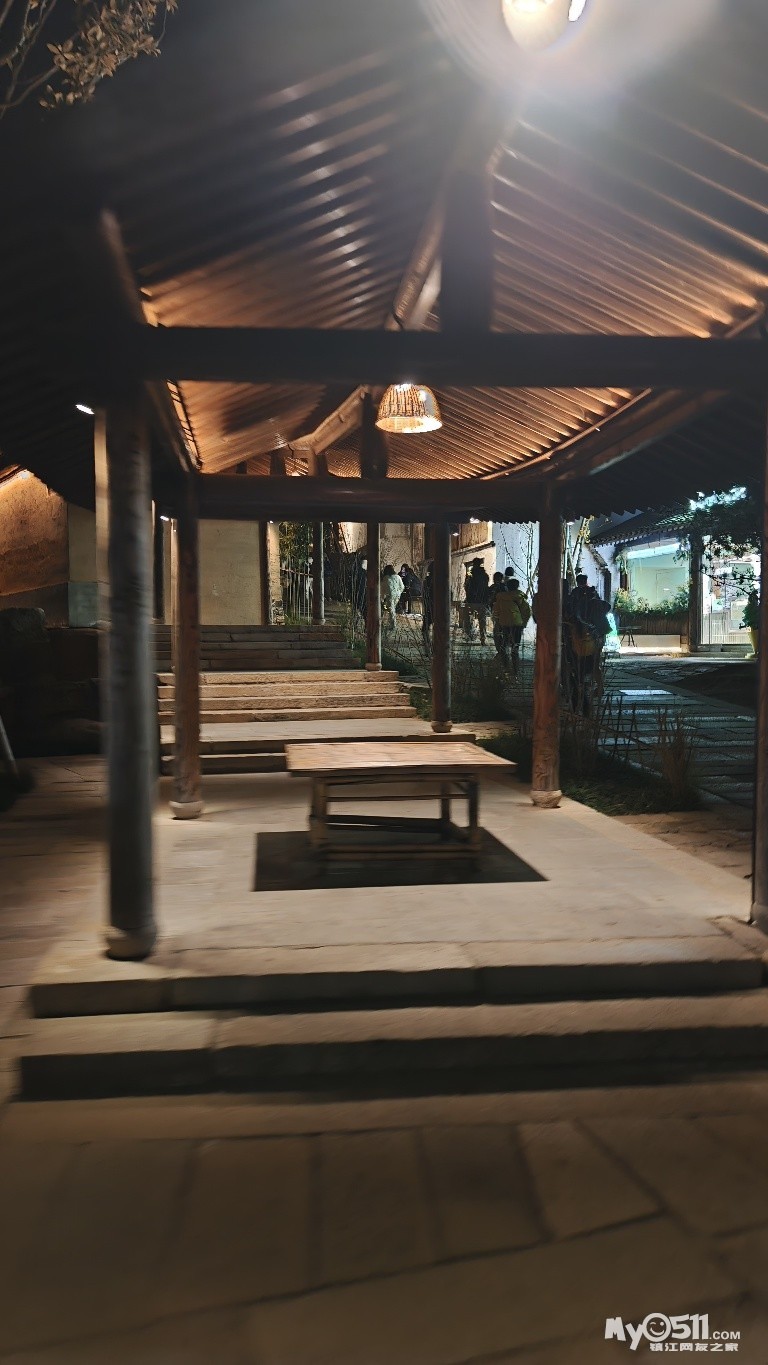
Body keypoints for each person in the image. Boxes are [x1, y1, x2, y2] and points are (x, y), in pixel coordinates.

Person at [492, 576, 531, 675]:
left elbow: (496, 611)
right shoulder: (520, 598)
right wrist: (523, 623)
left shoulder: (501, 598)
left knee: (503, 646)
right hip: (517, 625)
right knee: (515, 647)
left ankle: (506, 667)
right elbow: (527, 611)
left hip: (504, 624)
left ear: (507, 587)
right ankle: (515, 670)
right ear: (517, 587)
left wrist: (498, 620)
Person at [464, 557, 490, 644]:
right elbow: (486, 588)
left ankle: (469, 636)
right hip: (482, 601)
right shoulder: (485, 575)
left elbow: (466, 587)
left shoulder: (470, 575)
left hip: (471, 601)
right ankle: (483, 638)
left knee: (468, 619)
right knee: (482, 621)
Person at [380, 563, 404, 630]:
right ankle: (392, 624)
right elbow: (402, 587)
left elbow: (383, 589)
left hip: (389, 595)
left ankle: (393, 625)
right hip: (397, 595)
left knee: (391, 610)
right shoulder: (398, 577)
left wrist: (382, 598)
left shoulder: (386, 578)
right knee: (392, 609)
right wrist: (399, 592)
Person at [743, 588, 760, 658]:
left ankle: (756, 650)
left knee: (754, 631)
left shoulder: (753, 598)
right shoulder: (753, 599)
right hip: (753, 617)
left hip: (753, 617)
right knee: (753, 630)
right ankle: (756, 650)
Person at [421, 562, 434, 651]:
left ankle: (427, 647)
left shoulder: (427, 581)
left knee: (425, 628)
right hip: (440, 609)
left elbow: (424, 594)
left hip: (430, 606)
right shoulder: (444, 580)